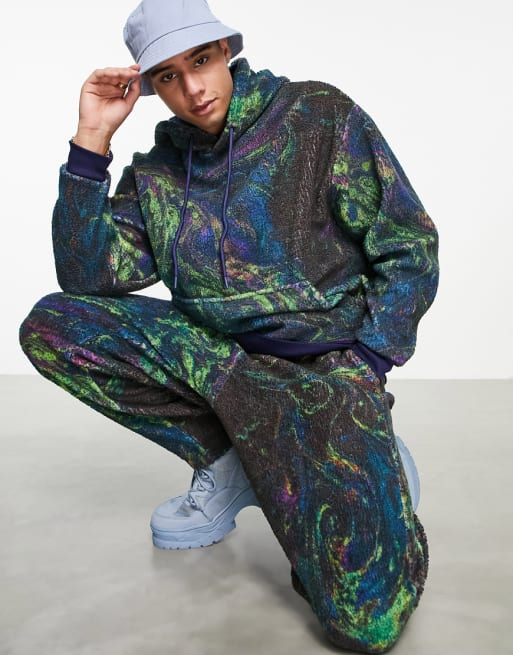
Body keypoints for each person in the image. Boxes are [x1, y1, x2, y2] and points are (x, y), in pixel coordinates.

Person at [19, 0, 439, 651]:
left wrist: (368, 363)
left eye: (201, 61)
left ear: (225, 51)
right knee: (53, 325)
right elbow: (87, 278)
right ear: (150, 86)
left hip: (325, 373)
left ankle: (352, 454)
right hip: (223, 364)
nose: (192, 88)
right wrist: (90, 144)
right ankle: (235, 451)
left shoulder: (317, 116)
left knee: (366, 623)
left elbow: (407, 245)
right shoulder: (157, 173)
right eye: (168, 76)